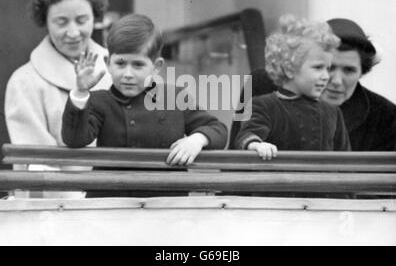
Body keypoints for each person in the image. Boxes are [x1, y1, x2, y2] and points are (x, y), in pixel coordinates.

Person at [61, 13, 228, 197]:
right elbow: (74, 140)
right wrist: (80, 92)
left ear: (156, 66)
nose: (128, 74)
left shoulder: (175, 97)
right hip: (111, 206)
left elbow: (218, 129)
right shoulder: (99, 101)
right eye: (120, 64)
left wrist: (197, 140)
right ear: (108, 63)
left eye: (138, 65)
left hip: (164, 205)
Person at [4, 0, 112, 198]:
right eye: (61, 22)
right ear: (45, 21)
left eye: (82, 20)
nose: (73, 32)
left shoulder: (118, 69)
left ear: (95, 17)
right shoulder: (24, 82)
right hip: (58, 208)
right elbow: (38, 163)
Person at [234, 15, 350, 159]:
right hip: (279, 180)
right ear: (289, 69)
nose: (326, 76)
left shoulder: (332, 111)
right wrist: (258, 145)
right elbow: (246, 136)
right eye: (318, 67)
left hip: (321, 181)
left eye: (328, 68)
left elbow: (345, 158)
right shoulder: (264, 106)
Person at [321, 18, 396, 151]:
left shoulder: (387, 118)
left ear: (362, 72)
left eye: (349, 70)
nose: (337, 81)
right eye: (329, 67)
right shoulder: (279, 108)